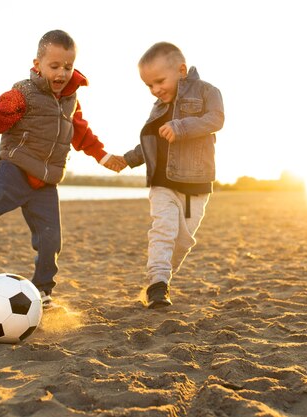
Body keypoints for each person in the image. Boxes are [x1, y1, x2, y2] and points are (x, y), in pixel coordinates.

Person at [0, 29, 125, 308]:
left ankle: (43, 291)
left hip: (46, 182)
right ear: (37, 65)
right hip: (15, 169)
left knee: (51, 239)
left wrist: (102, 156)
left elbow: (80, 132)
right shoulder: (22, 93)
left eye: (68, 67)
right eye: (54, 66)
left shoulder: (70, 100)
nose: (62, 73)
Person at [119, 42, 225, 308]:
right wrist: (127, 160)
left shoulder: (207, 92)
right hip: (162, 182)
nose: (155, 90)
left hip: (196, 182)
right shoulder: (158, 107)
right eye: (149, 86)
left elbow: (216, 120)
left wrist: (182, 126)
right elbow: (150, 141)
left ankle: (163, 277)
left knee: (184, 239)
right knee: (163, 230)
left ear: (180, 69)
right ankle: (158, 284)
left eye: (159, 81)